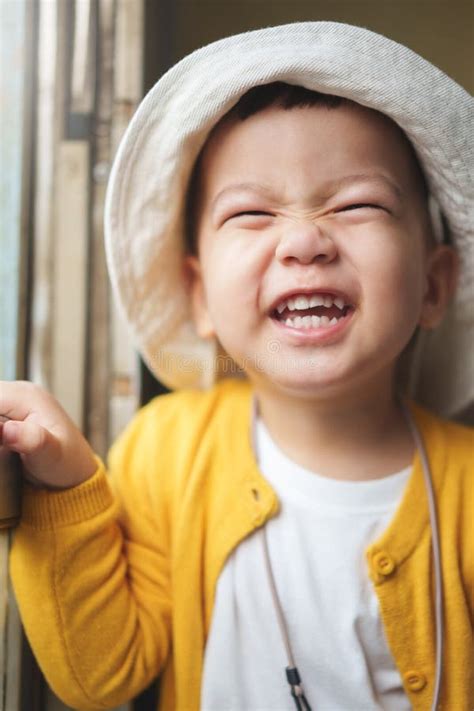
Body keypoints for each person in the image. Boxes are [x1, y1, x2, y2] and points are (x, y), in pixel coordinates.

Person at [1, 21, 472, 711]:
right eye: (252, 213)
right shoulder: (170, 450)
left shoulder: (464, 487)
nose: (305, 239)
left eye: (356, 205)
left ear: (434, 284)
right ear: (200, 296)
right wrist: (65, 481)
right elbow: (100, 674)